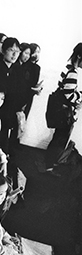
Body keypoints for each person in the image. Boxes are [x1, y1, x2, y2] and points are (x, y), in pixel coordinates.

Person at [46, 42, 82, 170]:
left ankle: (48, 163)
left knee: (57, 137)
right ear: (79, 56)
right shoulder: (73, 72)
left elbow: (64, 88)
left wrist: (76, 94)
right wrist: (79, 99)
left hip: (59, 107)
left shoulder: (68, 67)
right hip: (64, 110)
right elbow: (68, 95)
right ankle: (49, 165)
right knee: (60, 139)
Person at [0, 37, 21, 154]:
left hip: (7, 110)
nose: (14, 54)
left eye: (17, 51)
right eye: (11, 50)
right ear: (3, 51)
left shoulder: (14, 70)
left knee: (3, 135)